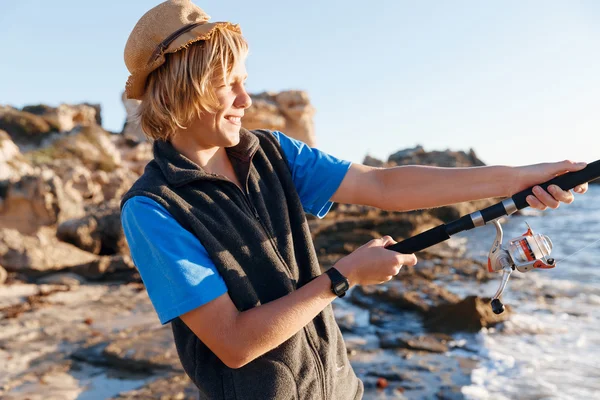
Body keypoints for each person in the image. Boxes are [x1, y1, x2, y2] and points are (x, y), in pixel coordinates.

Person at [119, 1, 589, 399]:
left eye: (244, 80)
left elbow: (386, 187)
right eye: (227, 84)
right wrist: (341, 278)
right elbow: (234, 343)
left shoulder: (272, 152)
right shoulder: (152, 209)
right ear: (183, 89)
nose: (245, 98)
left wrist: (520, 179)